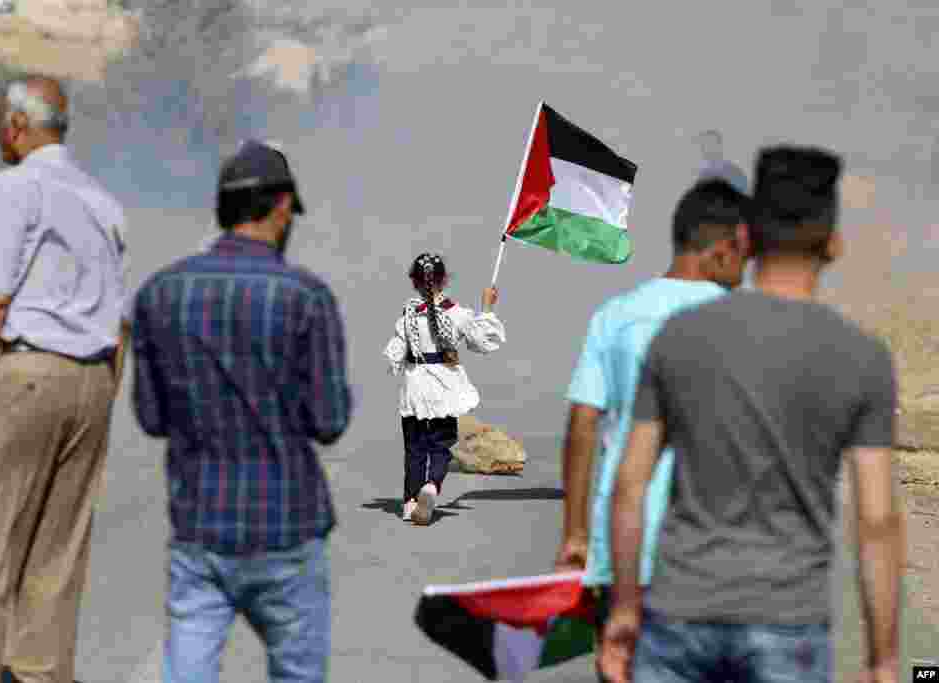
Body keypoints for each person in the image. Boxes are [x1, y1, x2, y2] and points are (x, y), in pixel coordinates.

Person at [602, 146, 905, 683]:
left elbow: (630, 485)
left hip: (680, 612)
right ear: (833, 244)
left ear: (746, 238)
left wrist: (625, 610)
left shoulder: (680, 338)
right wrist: (882, 658)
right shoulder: (863, 359)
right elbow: (877, 520)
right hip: (788, 623)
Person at [130, 139, 352, 683]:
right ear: (280, 207)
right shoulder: (306, 297)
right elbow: (329, 421)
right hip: (287, 529)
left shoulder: (159, 294)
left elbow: (152, 418)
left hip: (200, 527)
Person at [0, 76, 130, 683]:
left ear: (18, 127)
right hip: (93, 382)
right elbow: (120, 324)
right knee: (56, 558)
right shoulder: (104, 204)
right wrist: (103, 401)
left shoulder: (10, 189)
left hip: (25, 373)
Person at [554, 178, 752, 681]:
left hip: (622, 556)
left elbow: (581, 424)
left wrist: (575, 535)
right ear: (725, 249)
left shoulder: (615, 316)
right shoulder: (741, 321)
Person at [383, 253, 505, 524]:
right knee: (441, 445)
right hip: (444, 388)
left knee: (414, 448)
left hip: (414, 388)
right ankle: (432, 486)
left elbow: (395, 352)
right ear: (445, 280)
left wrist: (398, 364)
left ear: (414, 281)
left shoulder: (409, 316)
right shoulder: (457, 314)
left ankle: (410, 502)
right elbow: (483, 341)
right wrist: (487, 307)